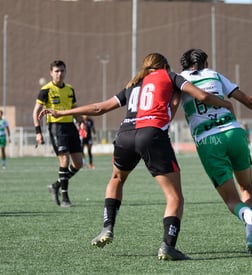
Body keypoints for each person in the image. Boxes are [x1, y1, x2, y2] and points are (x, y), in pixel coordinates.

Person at [39, 53, 234, 261]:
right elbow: (201, 96)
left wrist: (61, 113)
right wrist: (226, 104)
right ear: (164, 65)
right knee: (174, 196)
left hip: (125, 135)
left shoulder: (133, 84)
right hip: (151, 134)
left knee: (116, 179)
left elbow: (100, 108)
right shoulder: (170, 75)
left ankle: (108, 226)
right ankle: (168, 246)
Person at [179, 49, 252, 253]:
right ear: (205, 63)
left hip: (209, 140)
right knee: (247, 188)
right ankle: (251, 236)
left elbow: (170, 106)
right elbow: (249, 100)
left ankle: (251, 219)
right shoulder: (215, 75)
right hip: (234, 133)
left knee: (232, 200)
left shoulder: (178, 80)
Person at [32, 60, 83, 207]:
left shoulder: (70, 89)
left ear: (65, 72)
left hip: (70, 127)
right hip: (56, 128)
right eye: (56, 71)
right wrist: (38, 132)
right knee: (64, 161)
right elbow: (36, 112)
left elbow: (74, 107)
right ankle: (65, 198)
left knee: (78, 163)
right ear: (51, 73)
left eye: (62, 71)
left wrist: (80, 121)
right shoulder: (45, 90)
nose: (60, 74)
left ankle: (56, 185)